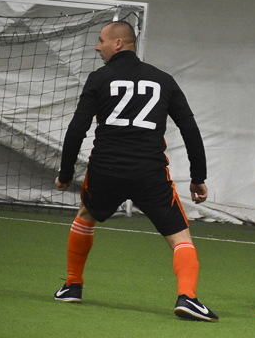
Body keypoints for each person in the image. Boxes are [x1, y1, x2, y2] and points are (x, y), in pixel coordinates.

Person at [53, 20, 218, 322]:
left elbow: (77, 128)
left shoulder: (99, 78)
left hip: (105, 169)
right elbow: (190, 130)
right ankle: (188, 298)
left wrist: (65, 174)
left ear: (118, 44)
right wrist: (198, 178)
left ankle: (72, 286)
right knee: (180, 237)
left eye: (101, 40)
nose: (97, 47)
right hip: (149, 172)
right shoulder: (164, 80)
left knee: (85, 216)